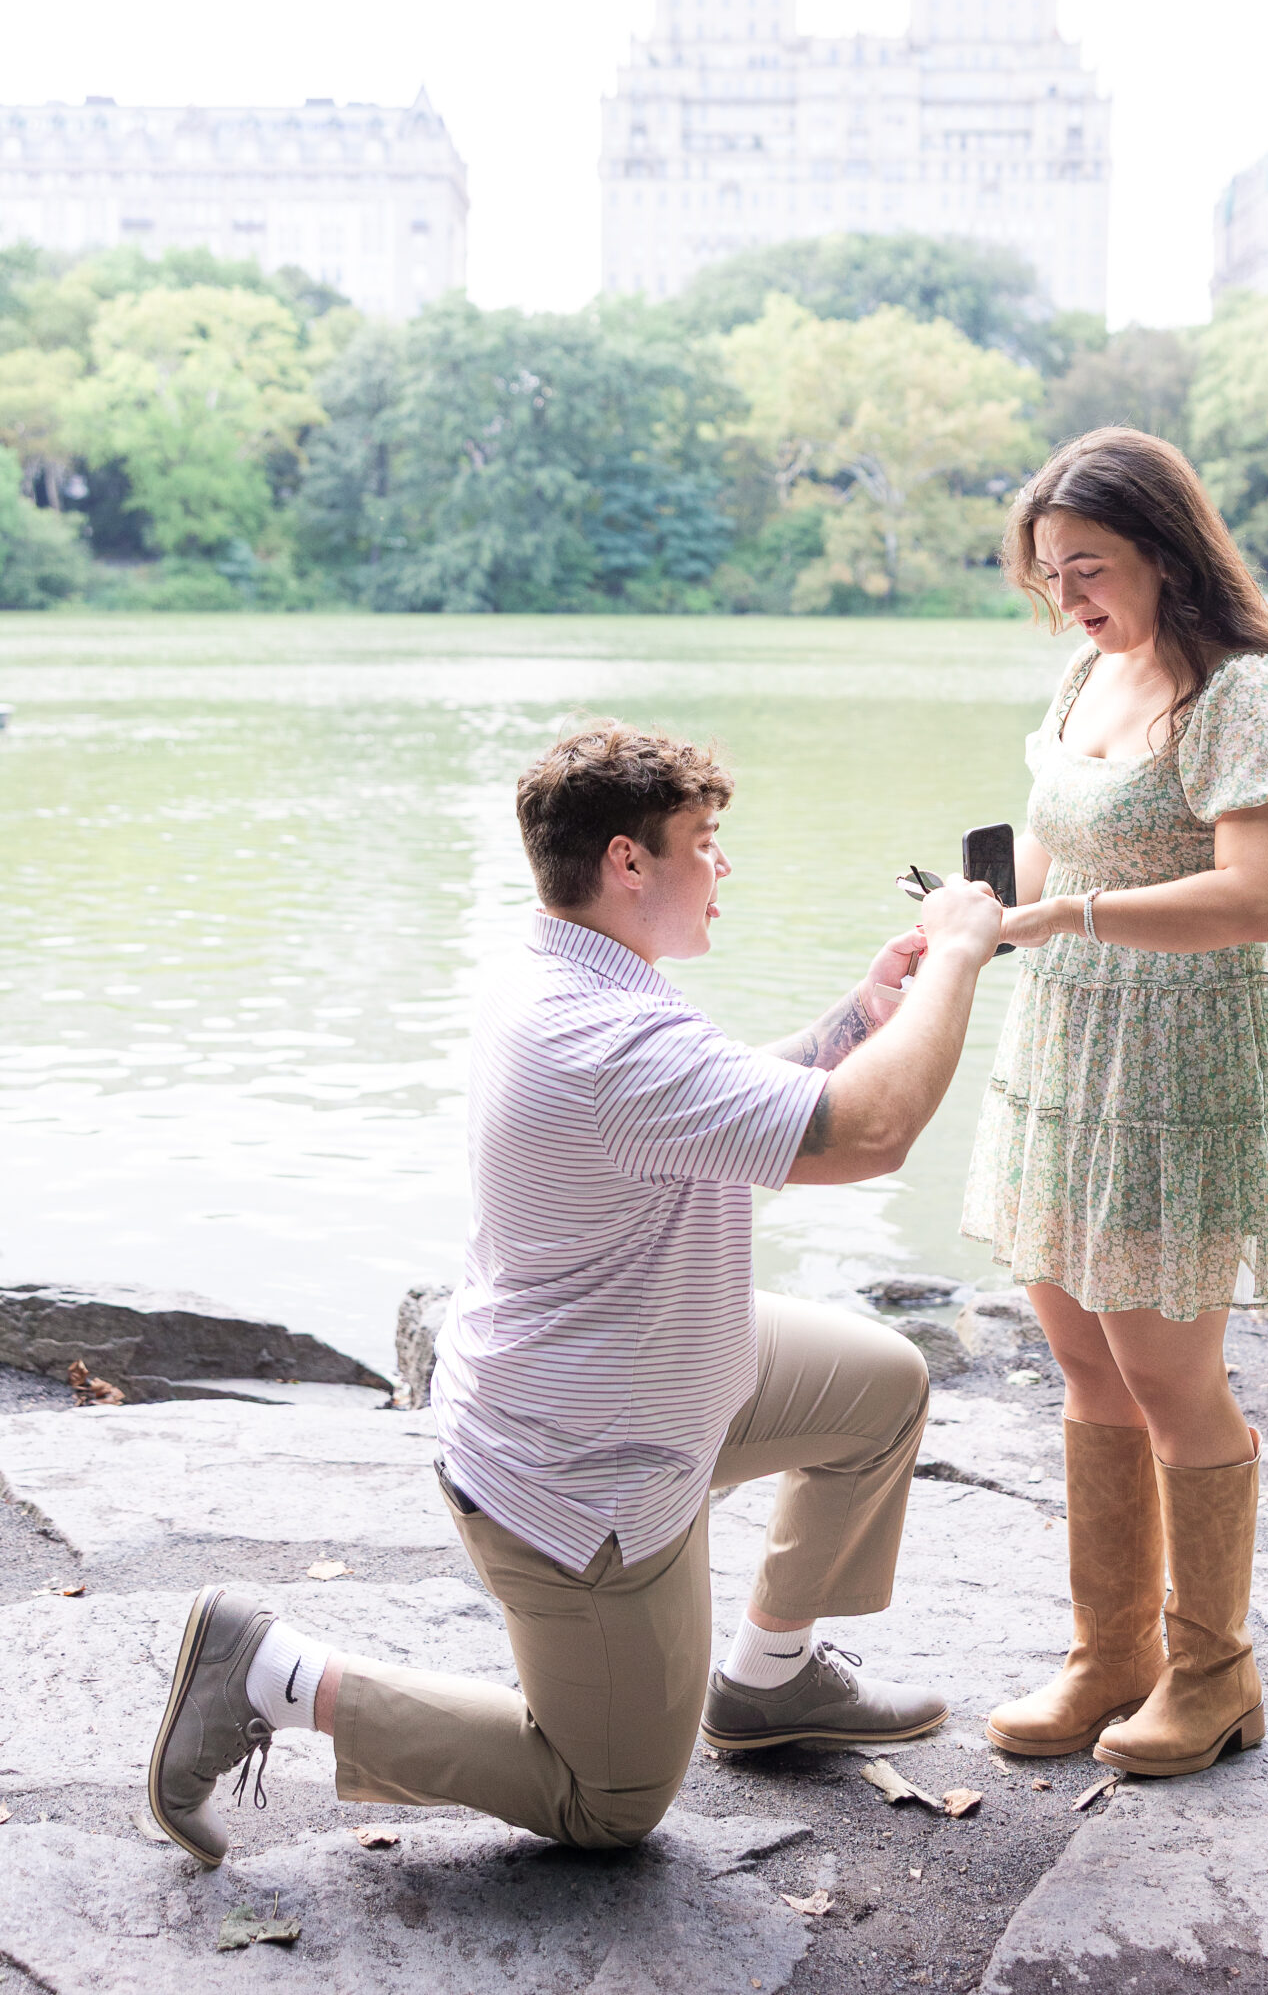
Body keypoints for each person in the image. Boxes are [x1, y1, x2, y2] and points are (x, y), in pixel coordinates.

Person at [148, 719, 1004, 1865]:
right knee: (610, 1804)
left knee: (883, 1385)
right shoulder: (604, 1040)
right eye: (707, 841)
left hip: (667, 1360)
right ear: (627, 862)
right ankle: (270, 1670)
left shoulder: (562, 967)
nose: (725, 865)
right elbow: (874, 1130)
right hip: (587, 1468)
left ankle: (769, 1681)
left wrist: (860, 1018)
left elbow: (718, 1105)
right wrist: (956, 953)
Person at [962, 427, 1268, 1780]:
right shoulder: (1083, 673)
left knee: (1168, 1373)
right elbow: (1053, 846)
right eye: (1048, 574)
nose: (1065, 599)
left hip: (1181, 1064)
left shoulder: (1242, 695)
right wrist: (979, 923)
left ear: (1165, 555)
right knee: (1079, 1359)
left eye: (1088, 568)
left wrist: (1069, 912)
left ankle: (1211, 1673)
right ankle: (1105, 1653)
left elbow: (1254, 897)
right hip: (1068, 1046)